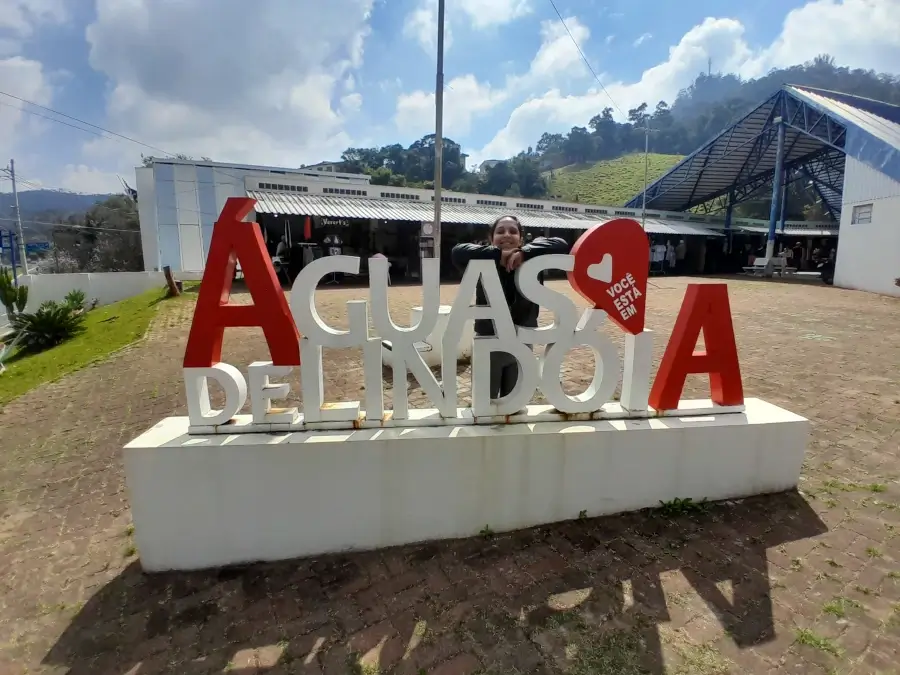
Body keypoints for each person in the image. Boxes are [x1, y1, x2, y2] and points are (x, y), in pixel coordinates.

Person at [451, 216, 569, 401]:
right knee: (484, 406)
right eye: (500, 231)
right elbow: (457, 251)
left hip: (523, 342)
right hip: (489, 341)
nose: (507, 235)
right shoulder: (483, 257)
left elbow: (561, 244)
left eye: (513, 231)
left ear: (521, 239)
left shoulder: (532, 258)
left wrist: (525, 253)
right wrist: (499, 255)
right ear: (491, 238)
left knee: (515, 406)